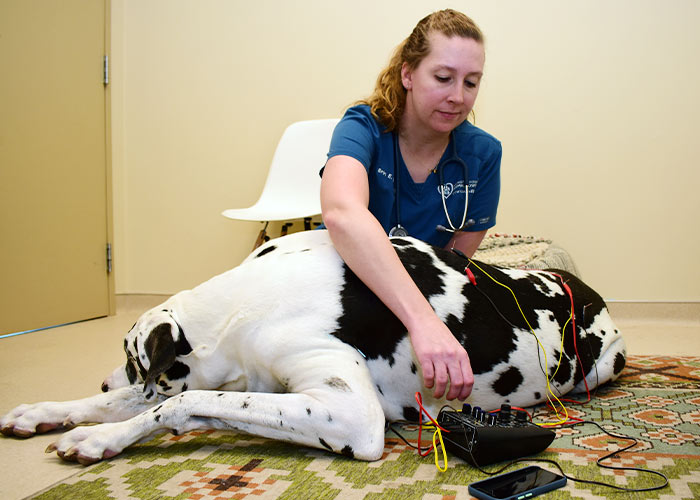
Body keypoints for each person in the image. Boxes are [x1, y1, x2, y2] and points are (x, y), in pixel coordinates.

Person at [320, 9, 501, 401]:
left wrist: (425, 314)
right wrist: (424, 322)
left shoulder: (482, 154)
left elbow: (455, 263)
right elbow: (341, 213)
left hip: (421, 287)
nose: (458, 96)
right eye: (442, 78)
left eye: (471, 82)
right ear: (408, 75)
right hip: (344, 278)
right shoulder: (362, 127)